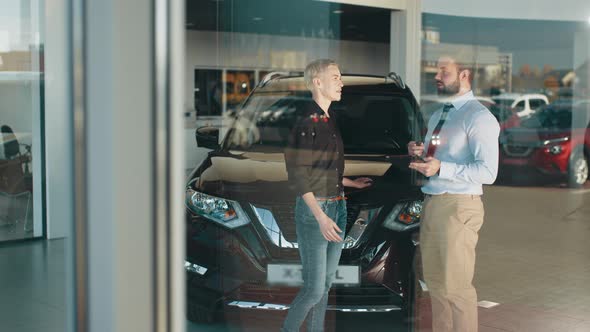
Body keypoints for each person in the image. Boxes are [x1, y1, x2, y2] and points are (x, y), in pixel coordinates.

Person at [408, 55, 500, 332]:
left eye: (443, 71)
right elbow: (440, 157)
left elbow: (488, 172)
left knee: (457, 289)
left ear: (464, 74)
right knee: (436, 286)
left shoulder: (479, 117)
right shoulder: (440, 114)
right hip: (433, 204)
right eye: (436, 71)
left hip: (458, 207)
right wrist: (422, 153)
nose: (436, 76)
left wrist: (441, 167)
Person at [282, 59, 372, 332]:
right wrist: (320, 217)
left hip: (337, 205)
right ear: (317, 82)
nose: (341, 82)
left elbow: (321, 169)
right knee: (312, 289)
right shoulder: (306, 121)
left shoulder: (327, 118)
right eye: (335, 77)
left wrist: (349, 183)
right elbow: (299, 175)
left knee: (324, 286)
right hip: (317, 212)